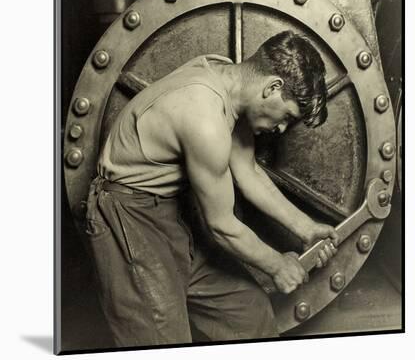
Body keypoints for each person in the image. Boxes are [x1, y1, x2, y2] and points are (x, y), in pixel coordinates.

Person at [85, 30, 339, 347]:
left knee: (248, 312)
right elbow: (222, 226)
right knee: (163, 339)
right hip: (128, 217)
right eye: (287, 116)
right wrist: (278, 266)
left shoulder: (224, 74)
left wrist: (307, 228)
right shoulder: (205, 119)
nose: (282, 128)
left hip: (170, 212)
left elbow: (247, 170)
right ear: (273, 87)